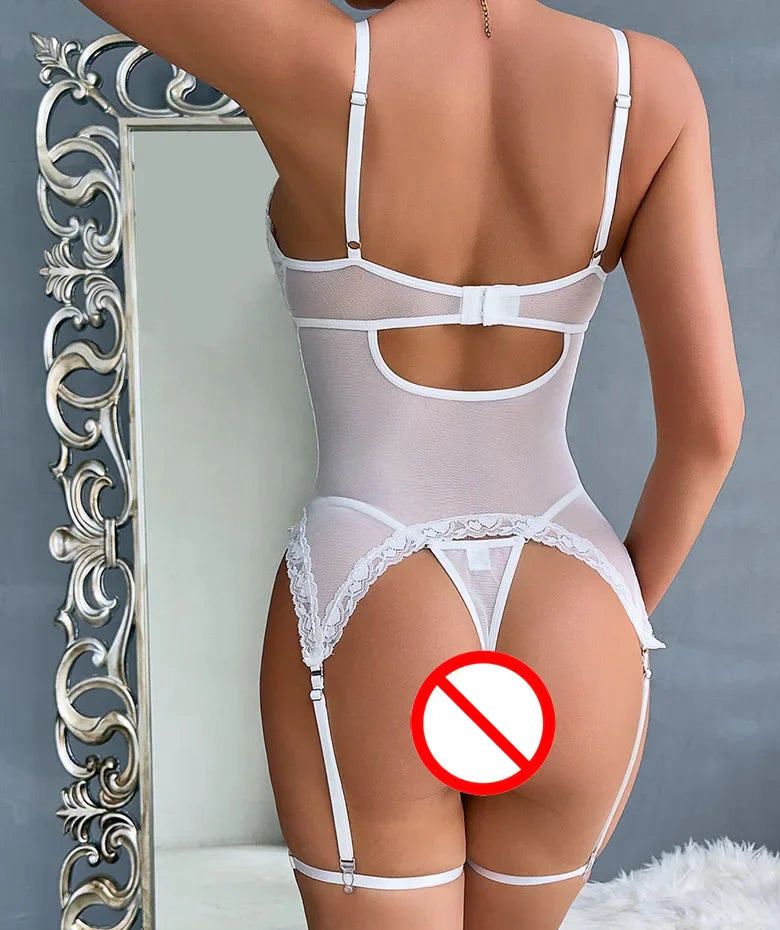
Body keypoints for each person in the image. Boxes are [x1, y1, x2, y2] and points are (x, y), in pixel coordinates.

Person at [80, 0, 744, 926]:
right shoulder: (651, 87)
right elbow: (710, 430)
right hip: (575, 594)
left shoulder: (321, 65)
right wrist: (612, 621)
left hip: (375, 590)